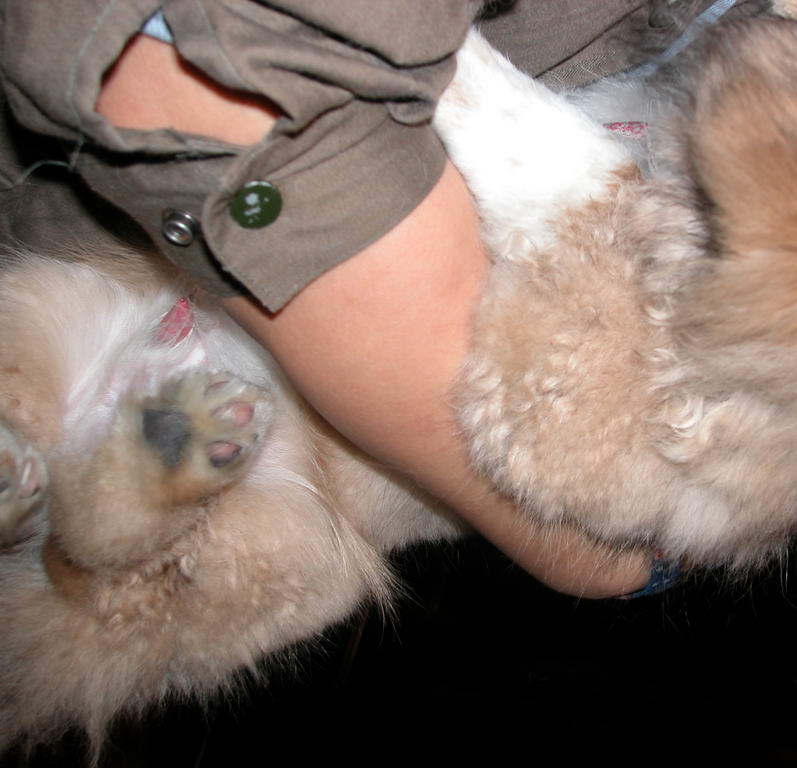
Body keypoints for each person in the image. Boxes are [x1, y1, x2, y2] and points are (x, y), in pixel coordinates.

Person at [0, 1, 752, 597]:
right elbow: (172, 58)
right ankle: (103, 519)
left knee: (253, 554)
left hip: (208, 341)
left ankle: (106, 520)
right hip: (189, 242)